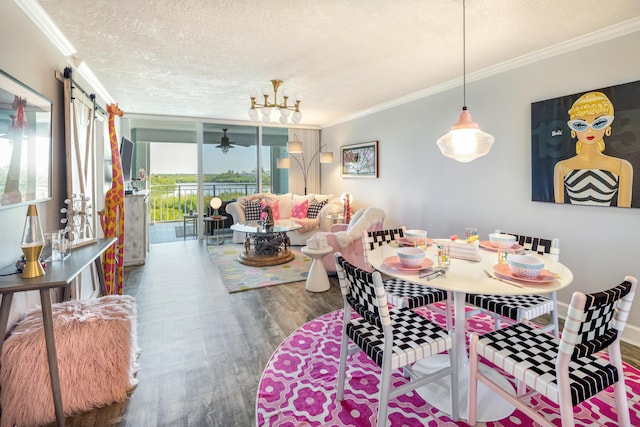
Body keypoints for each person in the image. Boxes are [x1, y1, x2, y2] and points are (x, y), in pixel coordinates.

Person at [553, 91, 633, 207]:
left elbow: (625, 210)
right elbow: (558, 210)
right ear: (573, 129)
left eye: (599, 123)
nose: (589, 130)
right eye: (580, 125)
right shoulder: (561, 167)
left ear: (607, 127)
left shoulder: (622, 166)